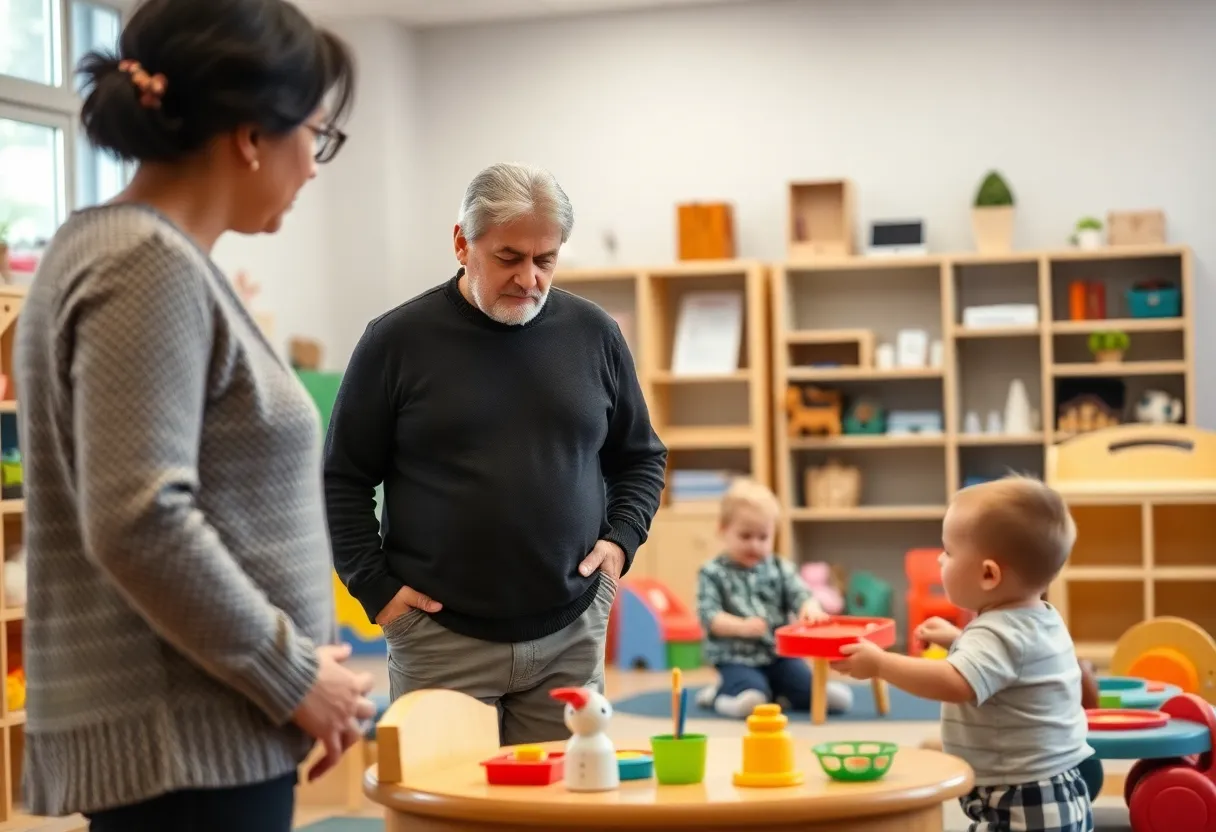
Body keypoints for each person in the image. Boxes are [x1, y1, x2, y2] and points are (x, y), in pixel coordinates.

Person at [14, 1, 373, 829]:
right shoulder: (146, 267)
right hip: (185, 753)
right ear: (251, 136)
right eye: (315, 134)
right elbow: (140, 519)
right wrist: (295, 678)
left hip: (199, 740)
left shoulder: (111, 250)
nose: (314, 165)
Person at [324, 162, 668, 745]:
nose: (529, 279)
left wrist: (619, 544)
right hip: (438, 639)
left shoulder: (595, 334)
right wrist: (377, 591)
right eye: (509, 258)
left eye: (546, 260)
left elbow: (640, 456)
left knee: (560, 812)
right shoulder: (394, 342)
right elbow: (342, 479)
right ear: (462, 242)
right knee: (447, 814)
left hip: (571, 629)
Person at [834, 475, 1094, 832]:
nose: (941, 559)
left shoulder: (998, 632)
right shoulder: (1040, 619)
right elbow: (1009, 669)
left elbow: (955, 683)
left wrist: (881, 663)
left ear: (989, 574)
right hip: (1052, 789)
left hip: (1022, 801)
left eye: (949, 552)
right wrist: (960, 640)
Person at [694, 478, 855, 718]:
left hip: (779, 656)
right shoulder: (712, 572)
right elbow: (709, 615)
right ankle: (722, 695)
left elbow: (800, 593)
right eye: (745, 536)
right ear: (723, 530)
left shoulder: (779, 567)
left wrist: (809, 607)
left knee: (804, 686)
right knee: (752, 695)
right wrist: (741, 627)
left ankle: (804, 693)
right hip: (736, 659)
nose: (755, 545)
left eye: (763, 537)